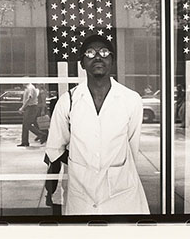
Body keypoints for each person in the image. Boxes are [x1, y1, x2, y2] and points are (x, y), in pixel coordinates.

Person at [45, 34, 150, 215]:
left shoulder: (131, 100)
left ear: (112, 60)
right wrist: (82, 162)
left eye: (103, 52)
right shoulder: (68, 102)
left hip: (123, 194)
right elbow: (55, 149)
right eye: (90, 53)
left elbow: (131, 149)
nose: (98, 57)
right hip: (81, 195)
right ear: (82, 63)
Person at [17, 82, 47, 147]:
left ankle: (42, 135)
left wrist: (22, 108)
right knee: (25, 125)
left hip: (31, 107)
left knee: (27, 124)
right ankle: (24, 142)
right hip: (30, 107)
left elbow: (29, 98)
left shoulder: (30, 88)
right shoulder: (28, 88)